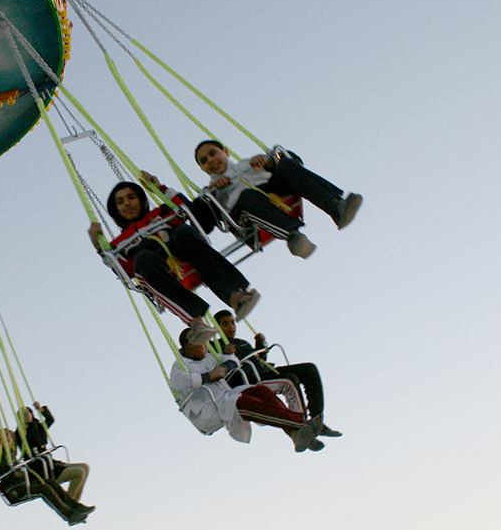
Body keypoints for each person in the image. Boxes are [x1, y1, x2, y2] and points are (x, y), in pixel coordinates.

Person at [89, 173, 260, 346]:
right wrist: (100, 246)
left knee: (182, 231)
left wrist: (160, 188)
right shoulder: (119, 243)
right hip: (155, 268)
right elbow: (124, 271)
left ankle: (236, 295)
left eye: (131, 197)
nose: (127, 203)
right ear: (116, 210)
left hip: (183, 252)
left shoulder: (161, 213)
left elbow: (188, 209)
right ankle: (196, 321)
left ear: (141, 200)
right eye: (120, 202)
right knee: (141, 259)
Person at [194, 139, 363, 259]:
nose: (211, 161)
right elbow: (204, 223)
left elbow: (296, 163)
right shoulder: (211, 193)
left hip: (270, 190)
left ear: (225, 152)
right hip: (244, 212)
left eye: (213, 153)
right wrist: (211, 193)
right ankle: (293, 237)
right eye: (205, 161)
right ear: (203, 169)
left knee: (286, 165)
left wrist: (269, 163)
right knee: (247, 195)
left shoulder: (247, 164)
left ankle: (336, 207)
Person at [169, 328, 321, 452]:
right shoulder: (179, 367)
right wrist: (209, 375)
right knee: (245, 404)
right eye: (201, 342)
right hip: (209, 411)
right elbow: (181, 383)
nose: (206, 344)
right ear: (189, 346)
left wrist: (224, 368)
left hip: (226, 397)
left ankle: (295, 433)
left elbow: (233, 360)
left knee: (261, 391)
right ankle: (302, 423)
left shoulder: (209, 357)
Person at [212, 310, 342, 444]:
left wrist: (259, 346)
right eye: (225, 324)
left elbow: (258, 360)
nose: (231, 327)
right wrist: (227, 355)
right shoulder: (215, 347)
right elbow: (219, 371)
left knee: (309, 369)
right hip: (249, 381)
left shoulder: (241, 343)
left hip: (264, 371)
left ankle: (316, 417)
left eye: (232, 323)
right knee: (289, 380)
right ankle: (301, 426)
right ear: (217, 327)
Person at [0, 429, 93, 525]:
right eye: (5, 439)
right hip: (15, 489)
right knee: (45, 489)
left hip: (25, 483)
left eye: (9, 439)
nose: (8, 441)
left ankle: (74, 506)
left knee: (51, 482)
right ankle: (69, 515)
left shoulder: (11, 454)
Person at [18, 402, 90, 504]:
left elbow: (50, 420)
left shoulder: (38, 427)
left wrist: (41, 410)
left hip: (51, 464)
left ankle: (74, 501)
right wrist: (29, 424)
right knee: (79, 472)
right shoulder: (20, 433)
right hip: (41, 469)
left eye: (28, 414)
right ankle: (69, 502)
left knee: (85, 467)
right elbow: (33, 442)